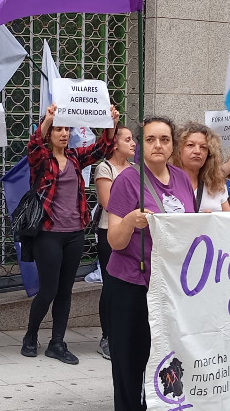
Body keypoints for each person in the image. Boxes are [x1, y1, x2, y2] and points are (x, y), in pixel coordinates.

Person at [106, 117, 196, 411]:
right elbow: (115, 242)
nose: (158, 145)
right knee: (130, 365)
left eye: (165, 139)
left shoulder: (182, 179)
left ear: (173, 145)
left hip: (169, 287)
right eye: (150, 139)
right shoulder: (128, 181)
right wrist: (131, 221)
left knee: (167, 361)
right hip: (131, 286)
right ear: (139, 146)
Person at [20, 103, 119, 365]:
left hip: (75, 233)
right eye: (58, 129)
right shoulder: (42, 158)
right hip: (48, 233)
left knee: (65, 291)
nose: (64, 134)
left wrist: (110, 123)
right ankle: (30, 336)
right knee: (48, 291)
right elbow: (33, 146)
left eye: (67, 129)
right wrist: (46, 121)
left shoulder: (75, 157)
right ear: (50, 133)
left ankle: (57, 342)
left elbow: (102, 149)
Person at [92, 124, 137, 360]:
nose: (133, 144)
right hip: (110, 232)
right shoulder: (105, 168)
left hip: (134, 235)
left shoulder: (137, 170)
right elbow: (109, 203)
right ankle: (107, 335)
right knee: (110, 284)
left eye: (134, 139)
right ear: (115, 143)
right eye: (128, 139)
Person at [171, 122, 230, 212]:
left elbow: (228, 220)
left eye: (203, 147)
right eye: (190, 145)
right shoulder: (166, 182)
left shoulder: (217, 184)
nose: (197, 151)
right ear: (178, 149)